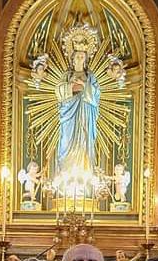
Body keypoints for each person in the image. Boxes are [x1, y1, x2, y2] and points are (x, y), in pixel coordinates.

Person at [56, 26, 100, 176]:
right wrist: (73, 87)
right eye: (77, 57)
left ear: (86, 59)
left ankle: (85, 176)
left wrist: (83, 86)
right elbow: (59, 92)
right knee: (66, 141)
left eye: (82, 57)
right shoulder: (67, 76)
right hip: (69, 118)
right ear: (72, 59)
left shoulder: (91, 77)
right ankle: (65, 175)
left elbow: (96, 95)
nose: (80, 59)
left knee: (84, 145)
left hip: (85, 118)